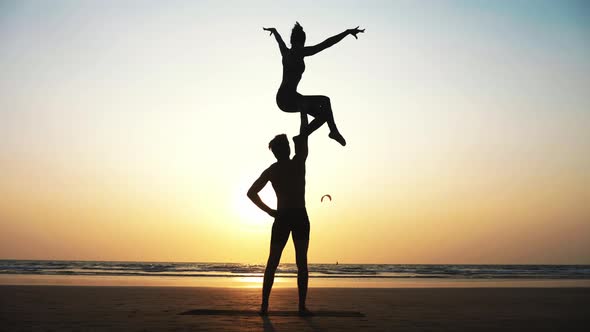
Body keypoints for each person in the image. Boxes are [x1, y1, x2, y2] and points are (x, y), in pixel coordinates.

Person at [247, 112, 313, 316]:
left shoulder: (274, 169)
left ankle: (266, 305)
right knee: (297, 262)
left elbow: (251, 193)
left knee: (275, 263)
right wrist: (302, 112)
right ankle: (296, 306)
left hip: (285, 216)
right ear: (285, 149)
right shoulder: (297, 162)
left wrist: (270, 212)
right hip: (294, 216)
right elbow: (304, 135)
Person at [263, 22, 365, 147]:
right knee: (325, 101)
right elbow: (326, 43)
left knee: (324, 115)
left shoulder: (285, 52)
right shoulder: (300, 52)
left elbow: (279, 41)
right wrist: (346, 32)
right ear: (300, 42)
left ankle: (304, 136)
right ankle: (330, 131)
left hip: (285, 98)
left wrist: (275, 31)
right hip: (288, 98)